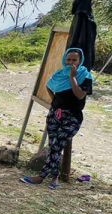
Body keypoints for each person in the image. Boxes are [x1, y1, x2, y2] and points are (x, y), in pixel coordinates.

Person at [21, 48, 92, 189]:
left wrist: (72, 77)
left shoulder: (85, 75)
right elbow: (49, 86)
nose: (70, 62)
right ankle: (55, 177)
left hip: (72, 116)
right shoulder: (59, 74)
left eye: (74, 60)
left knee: (56, 145)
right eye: (68, 59)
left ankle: (41, 176)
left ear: (80, 61)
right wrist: (54, 103)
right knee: (53, 144)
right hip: (55, 114)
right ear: (64, 59)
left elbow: (79, 95)